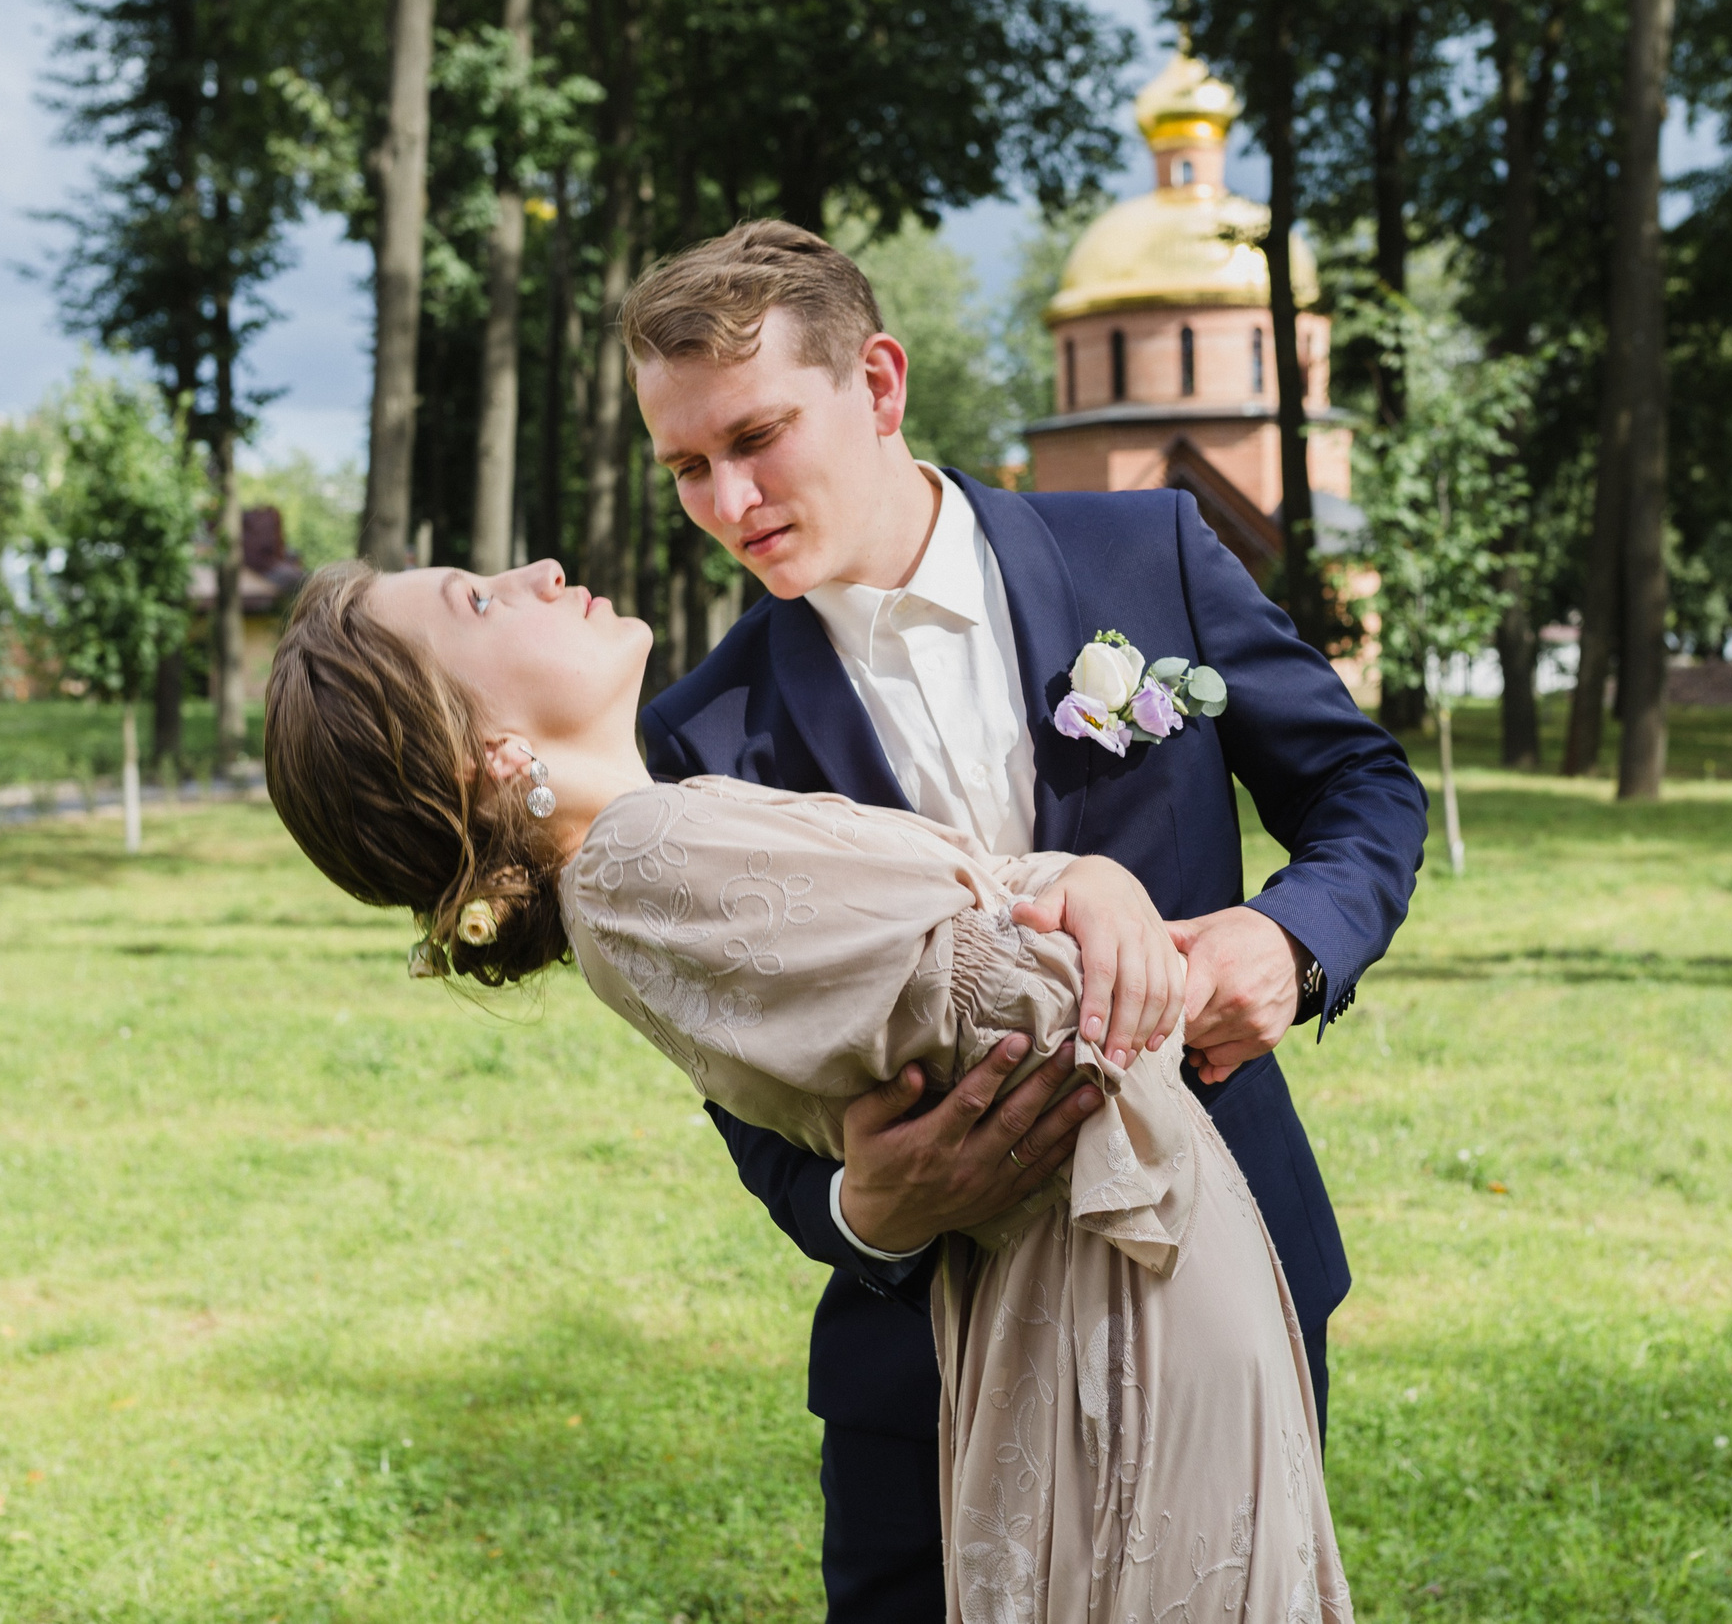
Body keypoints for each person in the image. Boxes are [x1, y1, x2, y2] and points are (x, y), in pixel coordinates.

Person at [264, 555, 1356, 1619]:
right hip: (1122, 1267)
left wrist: (1082, 879)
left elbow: (980, 944)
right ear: (485, 750)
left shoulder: (660, 832)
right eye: (477, 600)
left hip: (1128, 1251)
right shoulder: (639, 857)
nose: (539, 571)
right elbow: (1030, 1009)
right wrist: (1122, 934)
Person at [626, 221, 1427, 1617]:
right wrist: (858, 1210)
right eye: (688, 465)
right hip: (922, 1344)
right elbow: (746, 1084)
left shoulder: (1147, 554)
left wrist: (1290, 947)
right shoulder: (704, 738)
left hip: (1221, 1259)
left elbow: (1362, 787)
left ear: (878, 383)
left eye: (757, 434)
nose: (727, 495)